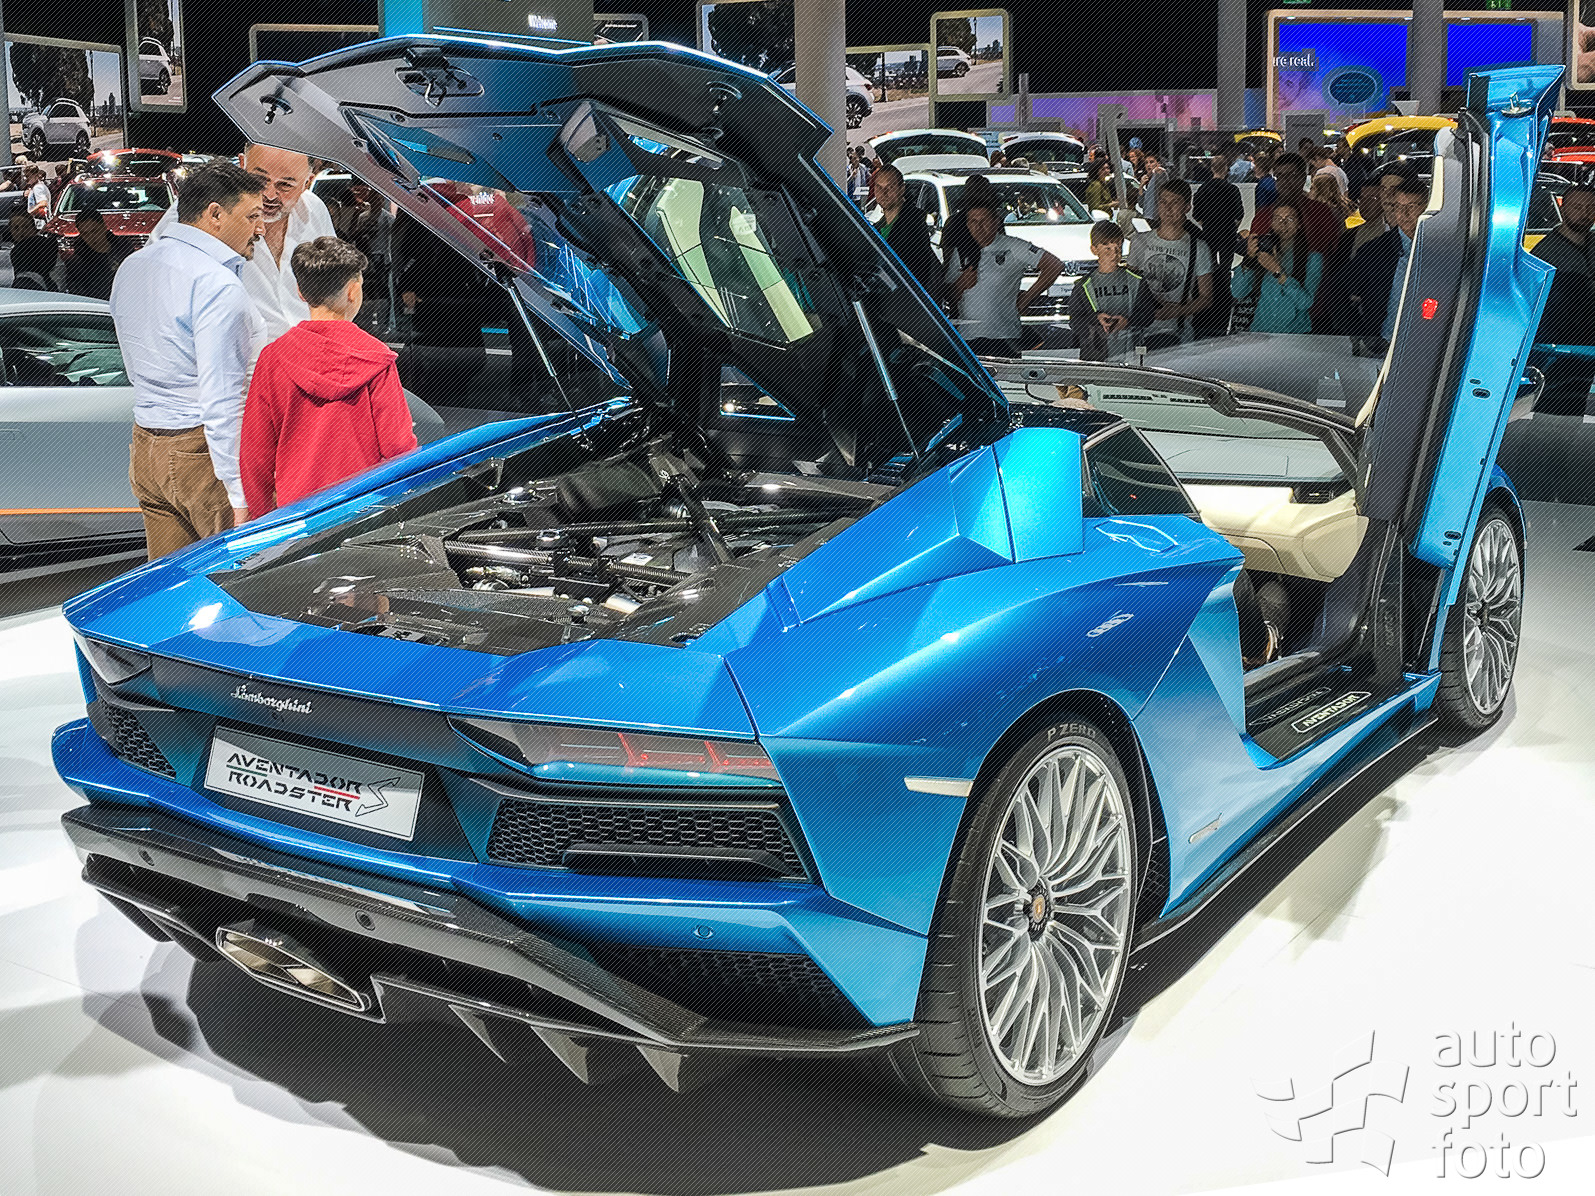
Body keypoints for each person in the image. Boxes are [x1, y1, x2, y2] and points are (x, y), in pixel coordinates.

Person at [110, 161, 267, 558]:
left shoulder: (133, 265)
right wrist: (239, 491)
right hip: (202, 457)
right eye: (252, 216)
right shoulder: (216, 284)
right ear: (215, 214)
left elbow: (132, 364)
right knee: (242, 577)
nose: (260, 229)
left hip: (145, 447)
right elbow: (222, 398)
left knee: (172, 585)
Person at [240, 237, 418, 515]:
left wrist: (262, 517)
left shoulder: (272, 358)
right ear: (353, 291)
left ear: (300, 292)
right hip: (363, 508)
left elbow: (255, 452)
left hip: (295, 513)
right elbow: (399, 447)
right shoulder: (376, 357)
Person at [152, 144, 337, 349]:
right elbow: (153, 287)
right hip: (235, 362)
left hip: (310, 355)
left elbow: (333, 285)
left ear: (307, 182)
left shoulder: (315, 211)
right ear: (242, 164)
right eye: (260, 180)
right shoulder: (199, 212)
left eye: (285, 185)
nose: (270, 195)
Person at [943, 197, 1063, 357]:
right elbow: (947, 296)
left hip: (1005, 336)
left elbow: (1054, 265)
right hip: (968, 337)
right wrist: (961, 283)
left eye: (984, 221)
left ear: (995, 222)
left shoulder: (1013, 246)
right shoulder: (961, 251)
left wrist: (1027, 297)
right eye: (973, 221)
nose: (978, 227)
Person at [1529, 186, 1595, 415]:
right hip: (1559, 353)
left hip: (1587, 350)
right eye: (1578, 207)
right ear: (1563, 208)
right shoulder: (1545, 254)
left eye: (1591, 208)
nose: (1585, 213)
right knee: (1558, 412)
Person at [1343, 176, 1429, 347]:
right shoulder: (1374, 250)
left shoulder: (1443, 250)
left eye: (1412, 206)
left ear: (1426, 208)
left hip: (1427, 345)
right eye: (1398, 207)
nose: (1404, 214)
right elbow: (1338, 291)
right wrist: (1360, 331)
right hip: (1383, 343)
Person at [1128, 178, 1213, 346]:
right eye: (1163, 202)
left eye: (1175, 202)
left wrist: (1177, 311)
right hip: (1139, 332)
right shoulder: (1139, 241)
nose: (1167, 208)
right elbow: (1130, 287)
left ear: (1187, 207)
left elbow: (1206, 297)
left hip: (1179, 336)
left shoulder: (1199, 248)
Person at [1231, 200, 1323, 334]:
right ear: (1272, 224)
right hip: (1260, 331)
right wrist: (1249, 259)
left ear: (1299, 224)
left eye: (1289, 219)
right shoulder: (1263, 251)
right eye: (1277, 219)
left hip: (1293, 333)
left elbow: (1305, 302)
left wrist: (1277, 271)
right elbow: (1238, 292)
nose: (1283, 224)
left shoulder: (1312, 258)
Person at [1069, 219, 1156, 361]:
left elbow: (1148, 315)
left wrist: (1128, 321)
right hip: (1096, 357)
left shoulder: (1137, 280)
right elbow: (1075, 321)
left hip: (1131, 355)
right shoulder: (1083, 286)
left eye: (1118, 247)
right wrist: (1096, 319)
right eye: (1107, 248)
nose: (1114, 253)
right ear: (1094, 250)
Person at [1249, 151, 1342, 258]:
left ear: (1302, 177)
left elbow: (1332, 252)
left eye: (1291, 175)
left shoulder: (1321, 212)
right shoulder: (1263, 215)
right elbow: (1254, 252)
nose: (1285, 181)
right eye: (1280, 176)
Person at [1192, 150, 1245, 338]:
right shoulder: (1232, 190)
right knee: (1225, 267)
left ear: (1211, 168)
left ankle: (1210, 297)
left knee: (1210, 267)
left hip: (1209, 233)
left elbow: (1197, 215)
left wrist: (1207, 224)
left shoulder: (1202, 189)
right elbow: (1239, 214)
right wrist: (1231, 225)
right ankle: (1224, 297)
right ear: (1226, 169)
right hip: (1227, 233)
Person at [332, 180, 394, 333]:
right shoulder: (362, 216)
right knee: (366, 289)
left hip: (382, 257)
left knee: (383, 289)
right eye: (374, 198)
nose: (376, 201)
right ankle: (366, 321)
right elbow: (356, 237)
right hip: (367, 257)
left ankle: (383, 322)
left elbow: (390, 240)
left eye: (378, 199)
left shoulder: (388, 219)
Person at [871, 164, 942, 297]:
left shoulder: (913, 223)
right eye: (879, 187)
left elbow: (916, 270)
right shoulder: (877, 227)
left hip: (904, 301)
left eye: (890, 187)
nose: (883, 193)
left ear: (902, 189)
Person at [64, 208, 133, 299]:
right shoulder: (77, 262)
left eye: (94, 231)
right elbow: (76, 292)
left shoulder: (124, 249)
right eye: (85, 233)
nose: (91, 237)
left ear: (104, 226)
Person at [8, 210, 58, 289]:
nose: (21, 232)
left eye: (25, 227)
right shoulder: (48, 243)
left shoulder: (24, 249)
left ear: (33, 228)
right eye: (16, 228)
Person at [1138, 152, 1168, 222]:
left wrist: (1158, 171)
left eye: (1151, 162)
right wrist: (1141, 186)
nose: (1148, 165)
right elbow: (1141, 204)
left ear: (1158, 164)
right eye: (1146, 163)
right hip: (1148, 218)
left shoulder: (1159, 174)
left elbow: (1162, 176)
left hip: (1158, 218)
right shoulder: (1148, 180)